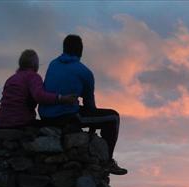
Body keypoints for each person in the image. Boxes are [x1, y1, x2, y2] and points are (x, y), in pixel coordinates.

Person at [38, 35, 127, 175]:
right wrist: (93, 124)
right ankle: (107, 161)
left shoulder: (52, 64)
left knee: (90, 114)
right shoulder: (84, 72)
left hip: (45, 115)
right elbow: (89, 104)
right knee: (113, 117)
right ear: (81, 51)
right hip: (65, 116)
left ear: (64, 48)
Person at [0, 49, 77, 129]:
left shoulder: (11, 79)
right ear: (34, 64)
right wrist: (62, 98)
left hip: (2, 122)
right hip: (20, 122)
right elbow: (39, 96)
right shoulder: (33, 76)